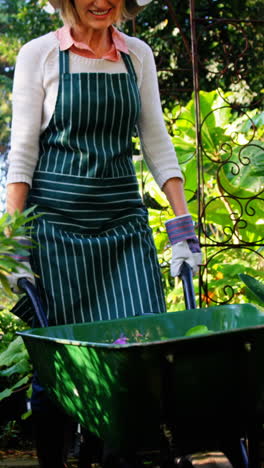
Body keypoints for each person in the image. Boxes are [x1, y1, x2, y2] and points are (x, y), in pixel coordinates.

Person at [6, 0, 202, 466]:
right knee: (58, 366)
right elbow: (22, 151)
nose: (101, 1)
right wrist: (13, 243)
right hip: (57, 231)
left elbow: (156, 139)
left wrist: (182, 229)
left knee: (139, 353)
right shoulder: (41, 55)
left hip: (122, 229)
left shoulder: (137, 55)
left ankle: (119, 454)